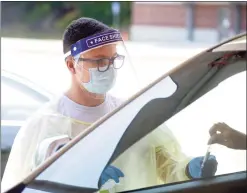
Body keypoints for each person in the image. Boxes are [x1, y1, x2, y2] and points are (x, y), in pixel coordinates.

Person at [2, 17, 218, 193]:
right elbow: (31, 183)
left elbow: (165, 165)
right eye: (99, 61)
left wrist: (189, 169)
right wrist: (79, 175)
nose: (109, 67)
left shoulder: (131, 115)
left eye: (113, 59)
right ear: (71, 65)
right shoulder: (45, 124)